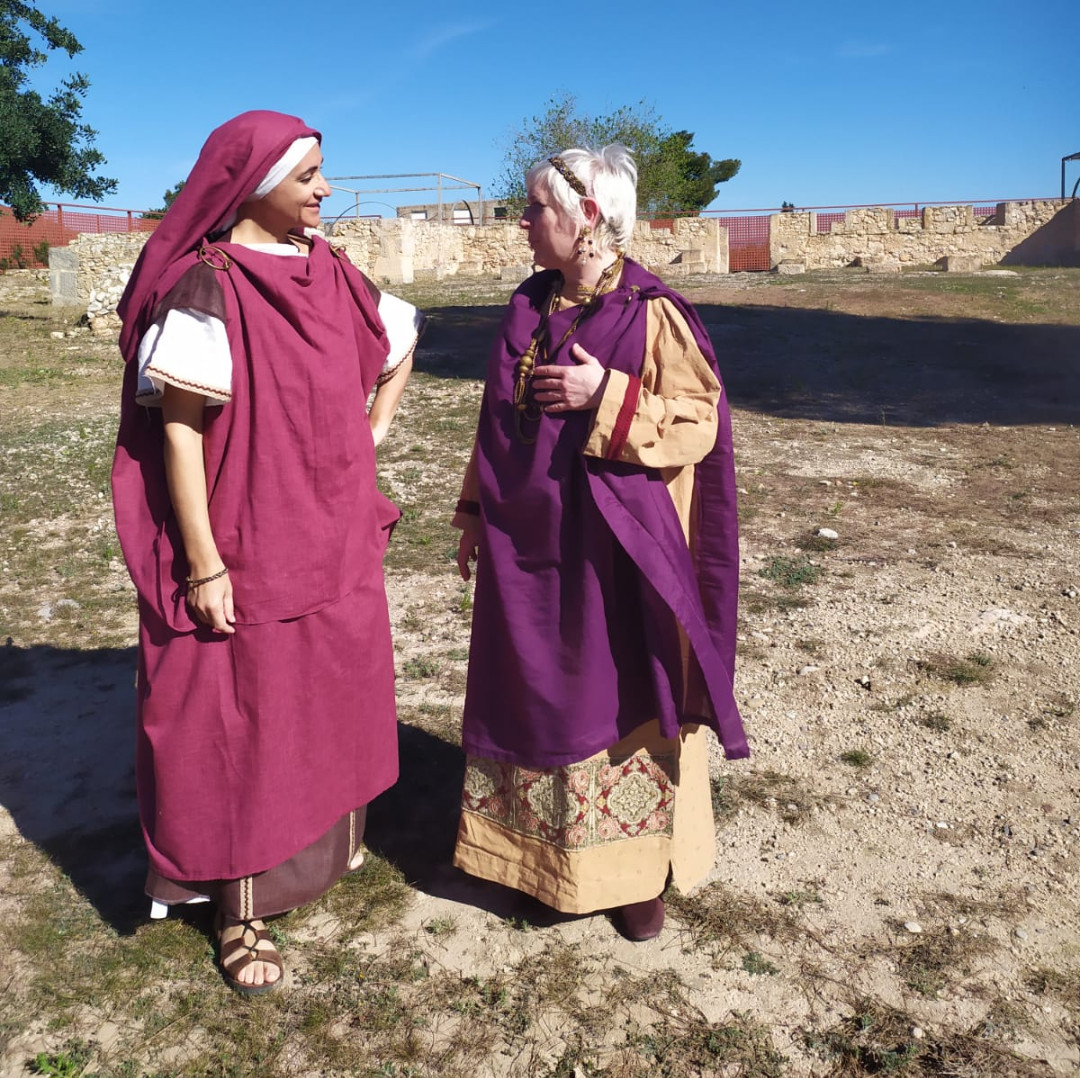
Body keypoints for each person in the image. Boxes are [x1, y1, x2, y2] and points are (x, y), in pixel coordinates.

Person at [112, 111, 420, 993]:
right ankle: (238, 912)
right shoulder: (209, 287)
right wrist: (204, 563)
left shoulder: (331, 270)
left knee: (329, 697)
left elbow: (400, 340)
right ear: (254, 186)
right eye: (310, 174)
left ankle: (323, 853)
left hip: (332, 527)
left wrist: (372, 437)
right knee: (244, 718)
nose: (326, 188)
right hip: (248, 536)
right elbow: (178, 437)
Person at [452, 146, 748, 941]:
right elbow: (493, 419)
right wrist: (476, 512)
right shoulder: (524, 305)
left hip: (613, 552)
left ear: (586, 216)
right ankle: (526, 859)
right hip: (526, 544)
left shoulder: (653, 312)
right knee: (528, 694)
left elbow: (699, 420)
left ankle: (632, 876)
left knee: (614, 692)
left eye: (534, 209)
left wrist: (604, 394)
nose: (520, 221)